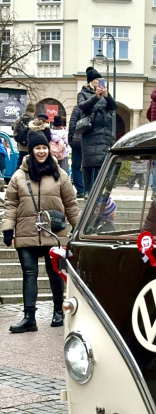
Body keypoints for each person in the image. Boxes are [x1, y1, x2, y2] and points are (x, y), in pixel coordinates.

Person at [2, 131, 80, 333]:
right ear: (31, 150)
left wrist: (78, 227)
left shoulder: (59, 173)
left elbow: (71, 204)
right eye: (37, 147)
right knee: (29, 274)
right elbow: (11, 204)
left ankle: (58, 312)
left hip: (52, 232)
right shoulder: (19, 175)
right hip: (27, 231)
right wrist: (8, 229)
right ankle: (29, 318)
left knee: (54, 273)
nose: (41, 151)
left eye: (44, 147)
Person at [78, 66, 117, 197]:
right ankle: (88, 190)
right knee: (88, 162)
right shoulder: (83, 93)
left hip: (104, 133)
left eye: (99, 79)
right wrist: (96, 96)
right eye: (96, 79)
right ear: (90, 81)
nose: (98, 81)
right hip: (90, 132)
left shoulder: (104, 94)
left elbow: (113, 107)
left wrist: (107, 96)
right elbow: (82, 106)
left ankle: (99, 190)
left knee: (101, 163)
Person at [68, 105, 85, 198]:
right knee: (91, 166)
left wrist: (70, 140)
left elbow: (72, 125)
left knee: (76, 165)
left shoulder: (78, 108)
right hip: (91, 141)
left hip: (78, 141)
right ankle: (90, 189)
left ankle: (81, 190)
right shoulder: (95, 105)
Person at [13, 102, 36, 167]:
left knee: (20, 164)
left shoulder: (18, 120)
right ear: (33, 110)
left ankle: (16, 176)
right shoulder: (35, 121)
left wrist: (20, 142)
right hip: (31, 148)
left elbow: (15, 135)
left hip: (21, 148)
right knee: (31, 166)